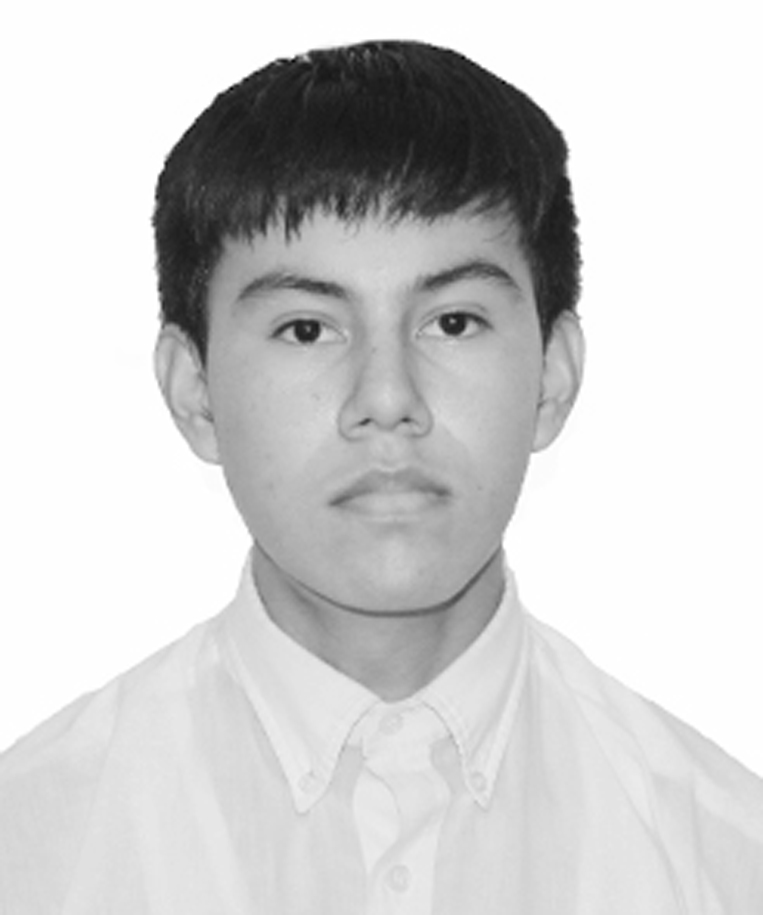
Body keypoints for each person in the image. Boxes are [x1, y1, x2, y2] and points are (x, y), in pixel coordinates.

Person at [0, 39, 761, 914]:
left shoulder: (724, 859)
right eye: (306, 329)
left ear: (552, 375)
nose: (388, 399)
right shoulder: (34, 848)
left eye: (453, 321)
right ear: (194, 391)